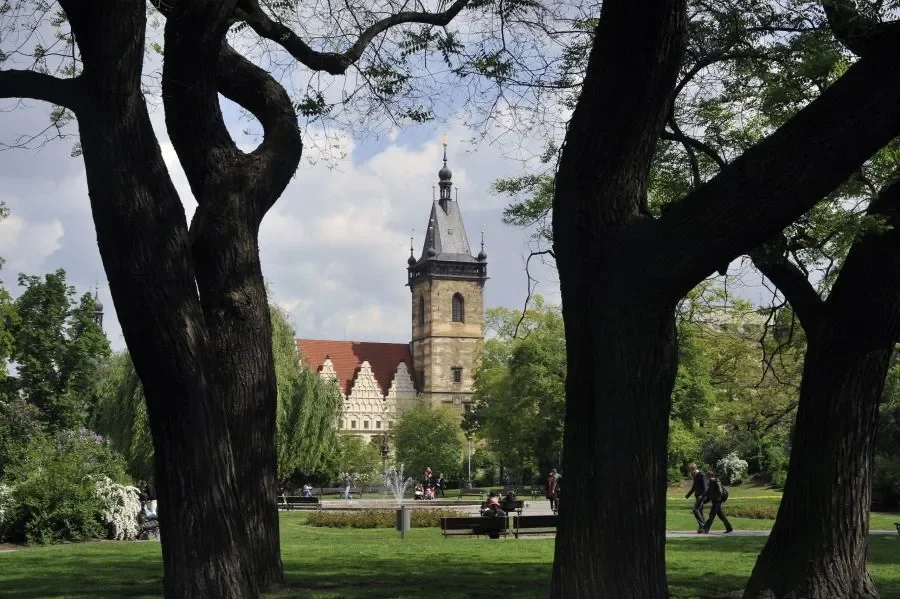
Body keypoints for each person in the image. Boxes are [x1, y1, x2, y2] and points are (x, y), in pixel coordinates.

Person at [685, 463, 709, 533]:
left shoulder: (701, 474)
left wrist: (703, 496)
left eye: (690, 469)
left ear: (693, 469)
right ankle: (703, 528)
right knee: (700, 511)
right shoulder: (695, 475)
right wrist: (688, 495)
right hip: (698, 496)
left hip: (702, 496)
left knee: (695, 509)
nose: (689, 471)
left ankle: (702, 525)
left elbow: (705, 487)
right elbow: (694, 487)